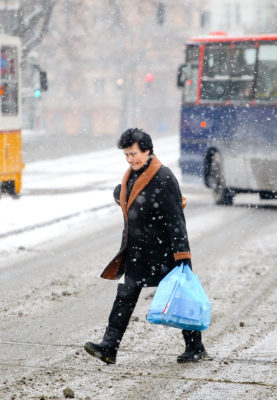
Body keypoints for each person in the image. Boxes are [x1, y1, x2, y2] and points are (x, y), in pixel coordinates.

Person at [84, 128, 208, 364]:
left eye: (134, 154)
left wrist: (182, 255)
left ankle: (195, 346)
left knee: (179, 297)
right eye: (127, 155)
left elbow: (175, 220)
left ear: (148, 150)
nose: (131, 160)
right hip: (137, 252)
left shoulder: (164, 177)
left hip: (163, 252)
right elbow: (134, 200)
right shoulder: (131, 175)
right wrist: (120, 194)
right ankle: (109, 347)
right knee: (125, 296)